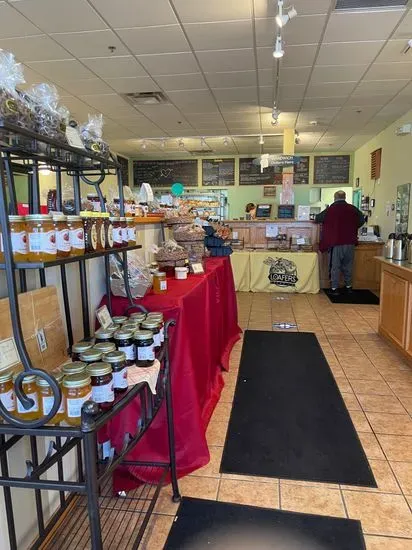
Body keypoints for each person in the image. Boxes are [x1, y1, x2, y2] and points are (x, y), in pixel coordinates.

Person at [315, 191, 365, 295]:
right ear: (345, 197)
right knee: (348, 266)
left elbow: (317, 218)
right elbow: (361, 220)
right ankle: (348, 287)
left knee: (335, 266)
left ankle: (334, 288)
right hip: (350, 242)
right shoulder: (353, 208)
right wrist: (352, 228)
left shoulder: (331, 209)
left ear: (335, 198)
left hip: (336, 242)